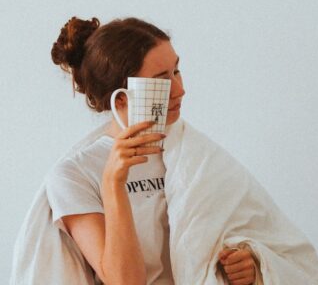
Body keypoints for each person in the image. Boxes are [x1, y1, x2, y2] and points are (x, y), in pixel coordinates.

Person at [48, 16, 260, 285]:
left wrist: (249, 264)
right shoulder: (74, 174)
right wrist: (113, 183)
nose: (180, 90)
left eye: (177, 71)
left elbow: (246, 232)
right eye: (162, 80)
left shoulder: (194, 152)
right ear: (122, 96)